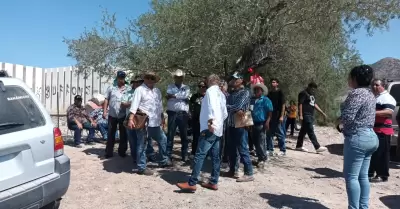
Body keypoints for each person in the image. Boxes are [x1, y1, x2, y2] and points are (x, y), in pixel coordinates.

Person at [177, 74, 228, 192]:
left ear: (210, 80)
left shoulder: (210, 91)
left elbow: (212, 107)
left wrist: (211, 121)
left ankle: (192, 182)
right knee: (215, 157)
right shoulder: (221, 94)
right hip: (218, 129)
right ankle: (213, 181)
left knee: (200, 154)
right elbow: (224, 113)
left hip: (209, 127)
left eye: (206, 80)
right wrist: (218, 123)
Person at [339, 65, 378, 209]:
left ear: (354, 78)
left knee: (352, 177)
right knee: (363, 176)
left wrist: (340, 121)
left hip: (358, 138)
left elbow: (347, 117)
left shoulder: (356, 93)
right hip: (371, 137)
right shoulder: (370, 94)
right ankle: (363, 207)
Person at [127, 71, 171, 175]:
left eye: (152, 78)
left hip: (155, 122)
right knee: (142, 144)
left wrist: (162, 117)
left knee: (163, 139)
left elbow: (159, 106)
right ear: (145, 78)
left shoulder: (157, 91)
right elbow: (134, 105)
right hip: (144, 122)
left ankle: (163, 160)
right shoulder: (139, 90)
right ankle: (141, 167)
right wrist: (130, 119)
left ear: (155, 80)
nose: (150, 80)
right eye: (148, 77)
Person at [225, 72, 254, 182]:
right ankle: (233, 169)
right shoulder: (232, 93)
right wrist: (234, 108)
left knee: (242, 148)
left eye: (236, 79)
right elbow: (235, 108)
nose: (233, 80)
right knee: (231, 149)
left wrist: (227, 106)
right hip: (231, 123)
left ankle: (249, 172)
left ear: (241, 80)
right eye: (233, 78)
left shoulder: (245, 92)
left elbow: (237, 106)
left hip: (241, 124)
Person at [369, 78, 396, 182]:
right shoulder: (376, 97)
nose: (374, 87)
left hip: (383, 130)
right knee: (373, 153)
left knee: (382, 153)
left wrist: (371, 112)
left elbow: (388, 112)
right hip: (373, 129)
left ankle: (383, 175)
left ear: (382, 86)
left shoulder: (387, 98)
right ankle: (370, 173)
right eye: (373, 85)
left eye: (376, 85)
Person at [103, 71, 131, 158]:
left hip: (123, 115)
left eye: (122, 78)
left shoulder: (128, 88)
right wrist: (104, 111)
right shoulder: (111, 88)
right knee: (111, 133)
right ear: (117, 78)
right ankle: (109, 152)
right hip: (112, 114)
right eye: (119, 78)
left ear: (124, 78)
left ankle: (122, 151)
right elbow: (106, 99)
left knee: (123, 134)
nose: (121, 79)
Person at [166, 69, 191, 162]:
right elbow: (169, 94)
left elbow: (186, 96)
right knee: (170, 135)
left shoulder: (186, 87)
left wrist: (174, 96)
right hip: (172, 113)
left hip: (182, 114)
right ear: (174, 77)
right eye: (177, 77)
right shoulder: (170, 86)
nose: (178, 78)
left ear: (182, 78)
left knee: (184, 135)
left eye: (180, 77)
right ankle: (168, 155)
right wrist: (181, 97)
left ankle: (185, 154)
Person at [296, 82, 328, 153]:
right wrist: (300, 115)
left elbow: (314, 104)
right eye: (312, 89)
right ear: (309, 87)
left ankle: (299, 146)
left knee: (303, 131)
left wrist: (322, 112)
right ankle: (317, 147)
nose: (313, 91)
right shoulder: (303, 93)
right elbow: (300, 104)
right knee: (310, 130)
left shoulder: (312, 95)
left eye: (314, 90)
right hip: (305, 114)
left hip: (310, 114)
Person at [250, 83, 273, 167]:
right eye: (255, 89)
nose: (256, 91)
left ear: (262, 91)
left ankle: (263, 158)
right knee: (255, 141)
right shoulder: (252, 100)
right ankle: (259, 157)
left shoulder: (266, 100)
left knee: (261, 141)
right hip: (252, 123)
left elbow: (270, 112)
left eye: (258, 90)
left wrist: (267, 122)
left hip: (261, 123)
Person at [267, 78, 286, 156]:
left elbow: (283, 105)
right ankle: (270, 149)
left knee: (279, 132)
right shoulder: (270, 93)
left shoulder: (280, 92)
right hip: (271, 114)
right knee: (270, 132)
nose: (272, 83)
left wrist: (281, 116)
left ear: (277, 83)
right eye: (271, 82)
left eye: (274, 82)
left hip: (278, 115)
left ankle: (283, 150)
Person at [189, 81, 207, 158]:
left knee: (206, 136)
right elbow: (190, 106)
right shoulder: (194, 96)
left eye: (203, 86)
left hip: (206, 120)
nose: (201, 88)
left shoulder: (209, 96)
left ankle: (206, 154)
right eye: (200, 86)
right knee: (196, 136)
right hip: (196, 119)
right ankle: (194, 152)